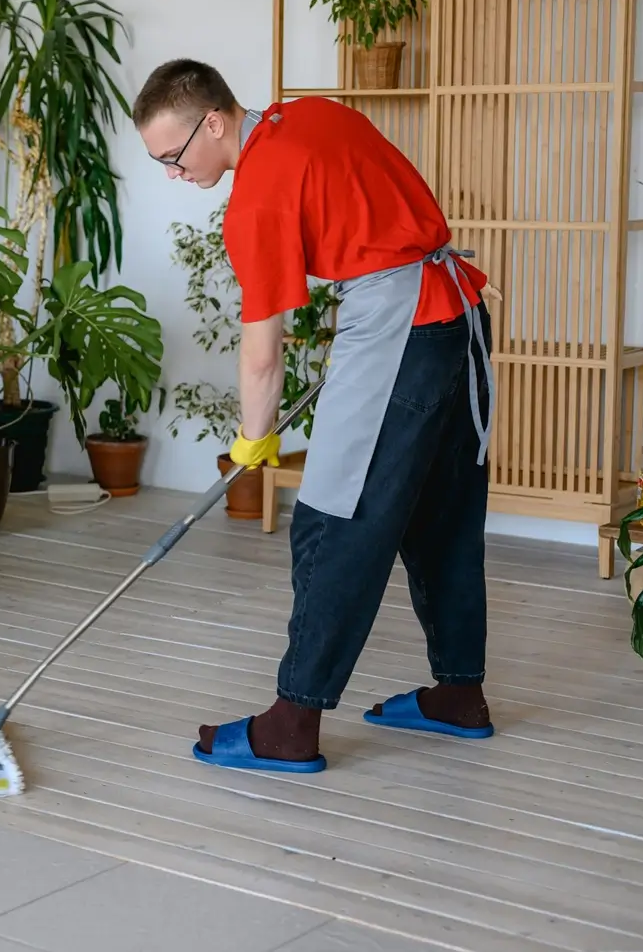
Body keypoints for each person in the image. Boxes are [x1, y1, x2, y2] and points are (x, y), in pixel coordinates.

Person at [132, 60, 497, 772]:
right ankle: (460, 694)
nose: (173, 174)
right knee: (440, 514)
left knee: (332, 519)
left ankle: (292, 722)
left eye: (173, 157)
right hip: (456, 315)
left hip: (399, 327)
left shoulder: (256, 198)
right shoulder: (309, 114)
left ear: (213, 121)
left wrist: (252, 440)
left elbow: (262, 357)